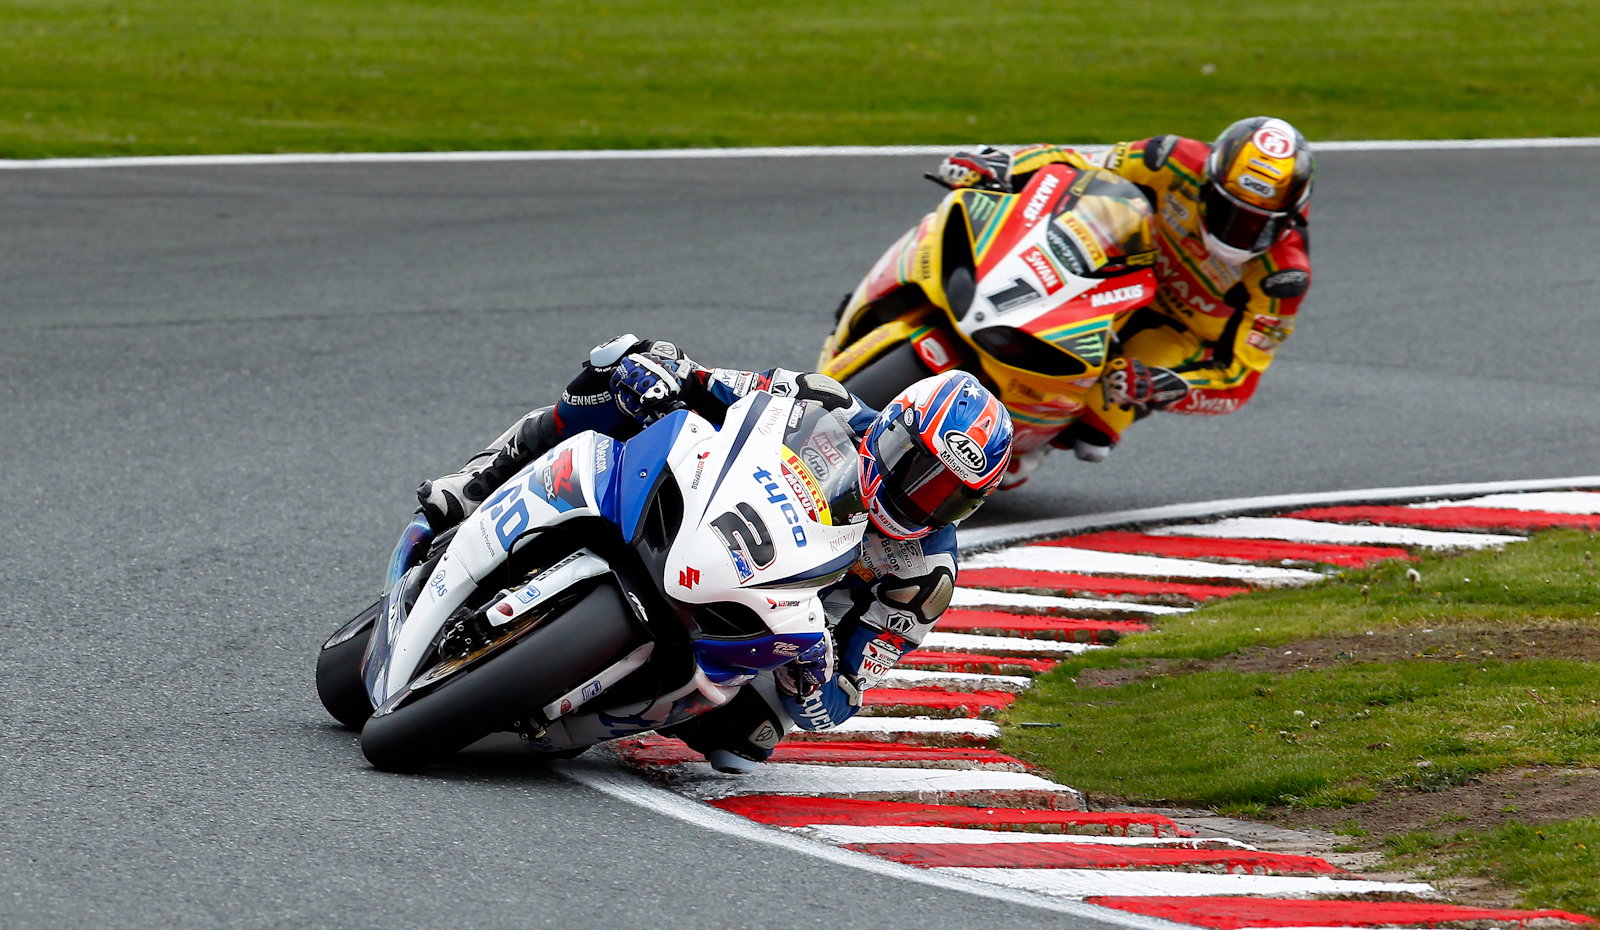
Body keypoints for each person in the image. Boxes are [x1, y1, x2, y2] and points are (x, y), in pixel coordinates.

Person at [416, 335, 1014, 773]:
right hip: (708, 520)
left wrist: (813, 683)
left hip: (762, 624)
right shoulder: (821, 399)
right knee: (618, 388)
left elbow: (843, 697)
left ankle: (569, 709)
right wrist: (663, 367)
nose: (921, 500)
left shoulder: (924, 576)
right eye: (919, 472)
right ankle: (478, 482)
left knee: (746, 739)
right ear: (893, 430)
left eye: (948, 498)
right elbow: (708, 384)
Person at [932, 117, 1314, 476]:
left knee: (1094, 431)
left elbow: (1238, 379)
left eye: (1257, 224)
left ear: (1289, 218)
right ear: (1207, 182)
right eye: (1227, 210)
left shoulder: (1282, 277)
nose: (1238, 231)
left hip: (1173, 330)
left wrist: (1167, 385)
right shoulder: (1170, 159)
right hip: (1120, 265)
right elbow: (1079, 162)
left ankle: (1012, 458)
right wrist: (1005, 164)